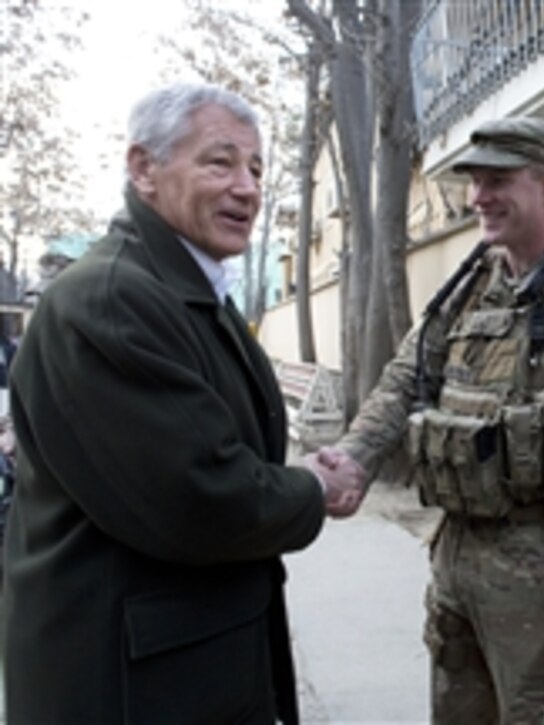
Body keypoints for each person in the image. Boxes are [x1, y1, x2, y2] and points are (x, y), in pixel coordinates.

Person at [1, 84, 365, 724]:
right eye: (220, 162)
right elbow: (196, 496)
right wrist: (312, 489)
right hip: (131, 688)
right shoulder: (111, 300)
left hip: (184, 672)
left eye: (255, 168)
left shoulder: (183, 289)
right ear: (144, 169)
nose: (248, 188)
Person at [320, 116, 544, 723]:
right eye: (474, 181)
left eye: (498, 180)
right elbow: (405, 378)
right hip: (454, 553)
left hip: (543, 565)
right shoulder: (467, 288)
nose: (478, 197)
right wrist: (356, 459)